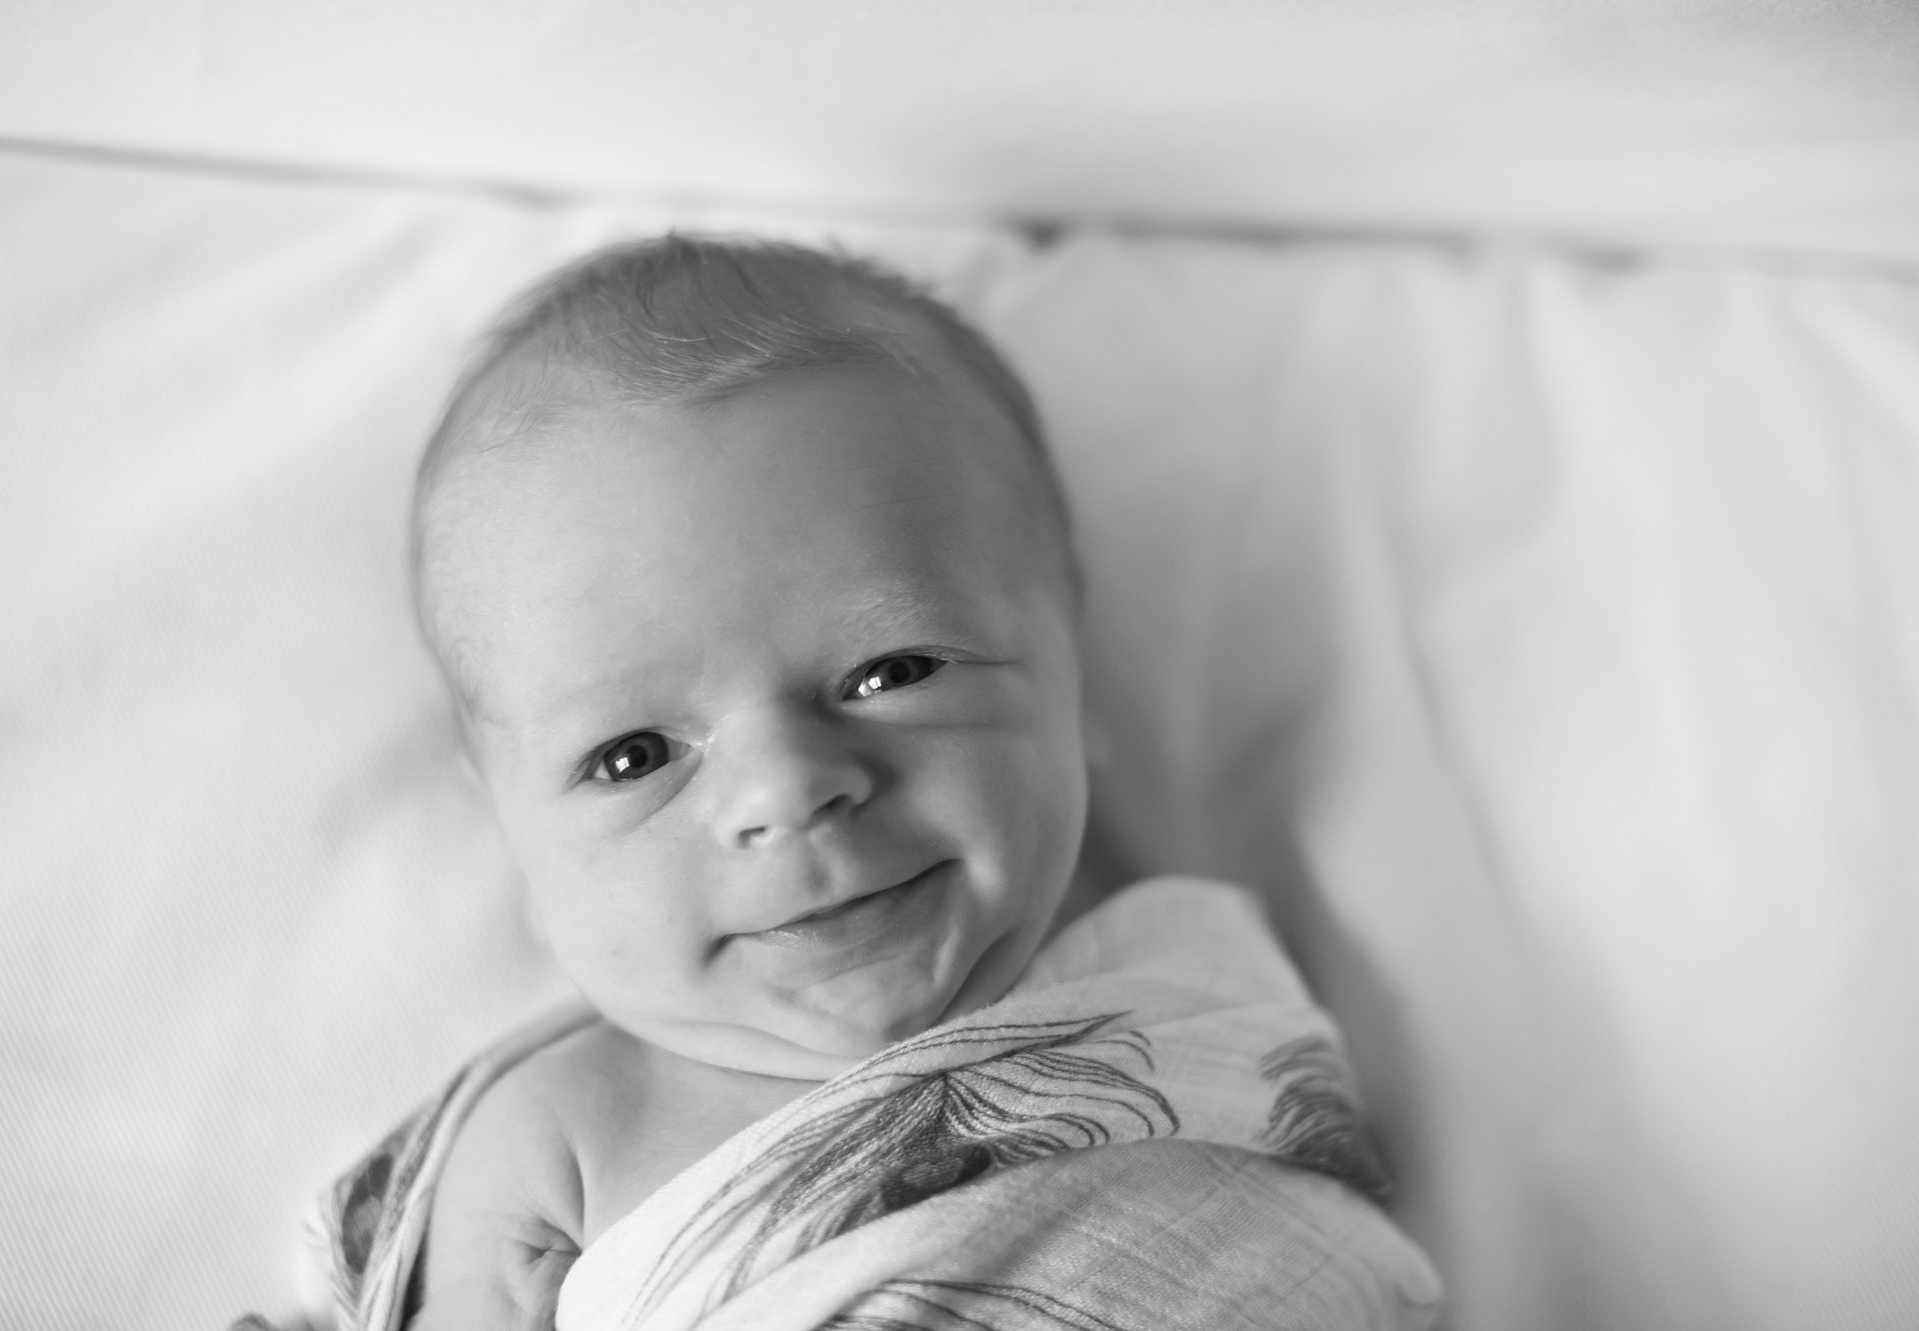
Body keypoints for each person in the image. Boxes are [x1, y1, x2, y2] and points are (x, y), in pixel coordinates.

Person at [242, 234, 1438, 1331]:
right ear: (513, 827)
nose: (788, 788)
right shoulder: (552, 1141)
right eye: (633, 756)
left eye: (890, 670)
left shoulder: (1190, 992)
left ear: (1074, 678)